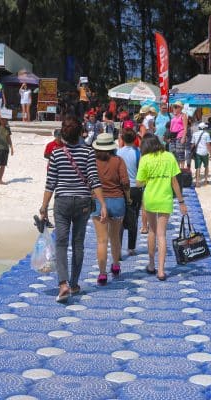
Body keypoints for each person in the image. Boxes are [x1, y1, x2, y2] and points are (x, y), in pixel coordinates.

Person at [39, 115, 107, 302]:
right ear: (80, 134)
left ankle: (63, 284)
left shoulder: (56, 153)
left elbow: (50, 183)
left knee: (61, 242)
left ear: (63, 135)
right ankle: (75, 283)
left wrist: (44, 207)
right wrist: (102, 204)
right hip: (83, 202)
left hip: (62, 201)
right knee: (78, 243)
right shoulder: (88, 153)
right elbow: (94, 179)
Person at [136, 134, 188, 281]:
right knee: (162, 235)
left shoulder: (145, 159)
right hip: (165, 199)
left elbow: (139, 182)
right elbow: (175, 182)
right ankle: (161, 271)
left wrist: (149, 178)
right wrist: (181, 202)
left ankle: (151, 265)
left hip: (150, 199)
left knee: (152, 231)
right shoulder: (169, 156)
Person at [91, 133, 130, 285]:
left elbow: (89, 181)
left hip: (98, 202)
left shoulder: (93, 161)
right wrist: (128, 197)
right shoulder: (118, 161)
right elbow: (125, 182)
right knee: (115, 238)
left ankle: (102, 274)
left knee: (101, 240)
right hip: (117, 201)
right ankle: (115, 265)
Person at [117, 128, 143, 257]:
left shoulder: (117, 153)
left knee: (120, 219)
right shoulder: (138, 153)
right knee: (134, 218)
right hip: (135, 187)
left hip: (121, 187)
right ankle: (131, 247)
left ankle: (118, 247)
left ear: (122, 139)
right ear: (135, 139)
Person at [0, 116, 14, 186]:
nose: (5, 121)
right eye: (4, 120)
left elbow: (8, 138)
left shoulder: (7, 128)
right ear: (1, 120)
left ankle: (0, 180)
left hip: (6, 148)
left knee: (3, 165)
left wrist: (11, 147)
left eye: (6, 120)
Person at [191, 122, 211, 186]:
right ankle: (205, 181)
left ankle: (197, 182)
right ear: (204, 128)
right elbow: (208, 145)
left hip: (197, 152)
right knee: (206, 166)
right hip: (205, 152)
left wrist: (191, 152)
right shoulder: (207, 134)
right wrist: (210, 154)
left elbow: (192, 144)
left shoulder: (194, 134)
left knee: (198, 167)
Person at [168, 101, 188, 168]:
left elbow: (185, 128)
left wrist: (183, 137)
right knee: (173, 153)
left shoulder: (183, 115)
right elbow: (171, 127)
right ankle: (176, 168)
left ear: (180, 108)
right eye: (174, 106)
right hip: (173, 135)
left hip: (180, 135)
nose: (174, 108)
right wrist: (169, 136)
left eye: (176, 107)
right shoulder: (173, 116)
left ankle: (181, 169)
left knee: (180, 153)